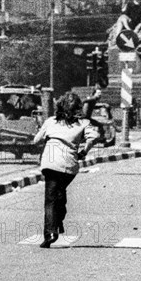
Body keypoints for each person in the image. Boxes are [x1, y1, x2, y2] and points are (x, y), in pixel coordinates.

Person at [33, 92, 99, 248]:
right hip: (69, 165)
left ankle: (50, 232)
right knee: (59, 192)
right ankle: (58, 221)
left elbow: (36, 140)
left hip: (50, 163)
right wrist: (84, 150)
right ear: (77, 108)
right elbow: (94, 136)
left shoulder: (50, 122)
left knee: (51, 198)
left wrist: (48, 140)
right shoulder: (83, 123)